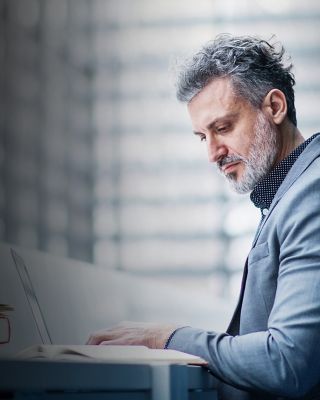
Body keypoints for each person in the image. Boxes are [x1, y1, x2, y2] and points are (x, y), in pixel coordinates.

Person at [87, 35, 320, 399]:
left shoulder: (311, 194)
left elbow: (287, 362)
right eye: (202, 137)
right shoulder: (288, 192)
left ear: (275, 107)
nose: (213, 153)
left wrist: (166, 338)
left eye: (223, 128)